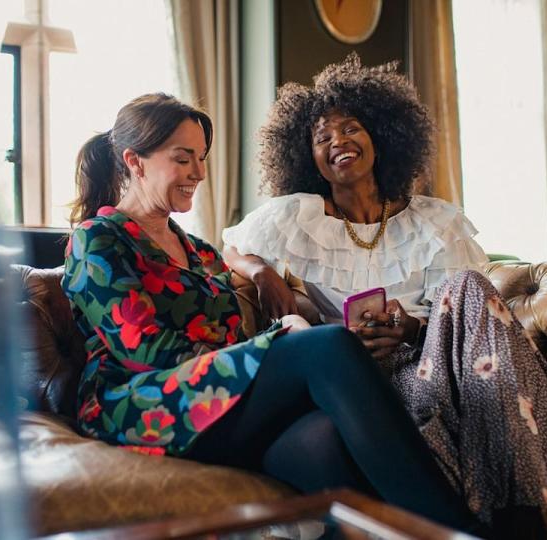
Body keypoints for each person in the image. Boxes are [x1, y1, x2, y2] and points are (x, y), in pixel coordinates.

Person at [222, 55, 547, 539]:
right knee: (460, 296)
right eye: (322, 138)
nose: (338, 141)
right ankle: (521, 512)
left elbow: (468, 320)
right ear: (308, 158)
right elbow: (227, 250)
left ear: (381, 136)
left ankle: (523, 508)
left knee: (465, 286)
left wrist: (413, 328)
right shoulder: (293, 217)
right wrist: (259, 270)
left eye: (351, 128)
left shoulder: (437, 221)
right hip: (359, 384)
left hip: (435, 367)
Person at [61, 93, 479, 531]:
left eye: (201, 159)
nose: (199, 174)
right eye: (183, 159)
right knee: (329, 345)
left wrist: (284, 325)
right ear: (135, 161)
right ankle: (457, 531)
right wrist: (280, 342)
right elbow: (145, 351)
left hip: (219, 403)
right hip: (142, 407)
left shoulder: (200, 253)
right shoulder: (98, 239)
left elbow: (232, 343)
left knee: (325, 440)